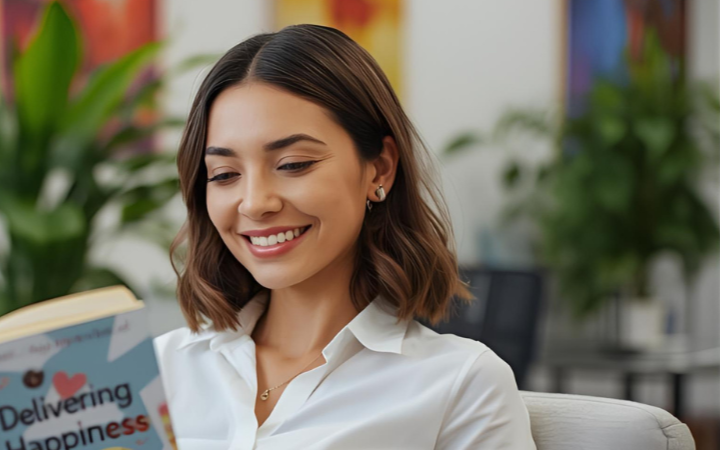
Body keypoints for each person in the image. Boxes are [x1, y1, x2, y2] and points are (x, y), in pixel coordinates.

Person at [154, 24, 536, 449]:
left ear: (380, 169)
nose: (254, 203)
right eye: (224, 174)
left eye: (293, 164)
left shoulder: (461, 386)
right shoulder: (154, 373)